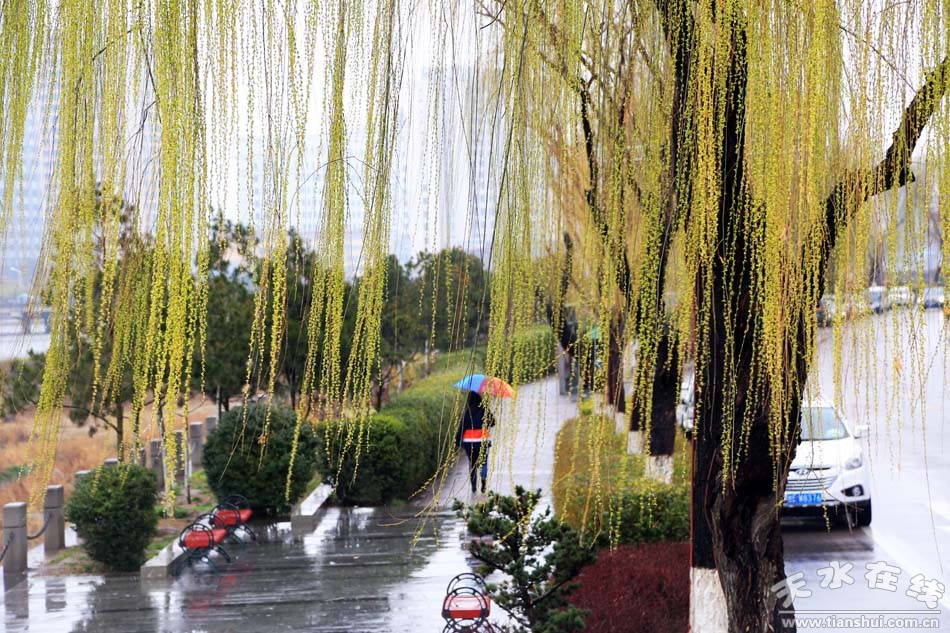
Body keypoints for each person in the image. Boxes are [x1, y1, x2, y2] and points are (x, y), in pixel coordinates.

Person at [456, 391, 495, 494]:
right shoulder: (484, 411)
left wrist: (458, 441)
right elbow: (493, 422)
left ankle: (473, 486)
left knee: (472, 463)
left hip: (470, 443)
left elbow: (462, 428)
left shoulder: (467, 412)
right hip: (483, 441)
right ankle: (483, 482)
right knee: (483, 462)